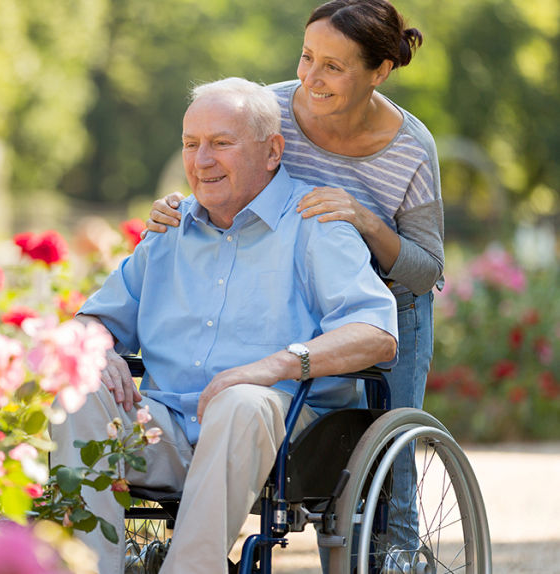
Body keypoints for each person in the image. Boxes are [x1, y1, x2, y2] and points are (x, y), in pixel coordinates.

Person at [51, 77, 398, 574]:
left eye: (221, 143)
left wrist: (268, 367)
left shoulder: (315, 223)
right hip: (166, 432)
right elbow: (94, 321)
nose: (202, 160)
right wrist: (97, 351)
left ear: (272, 151)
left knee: (241, 400)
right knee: (77, 389)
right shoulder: (168, 232)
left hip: (283, 441)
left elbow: (376, 334)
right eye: (191, 144)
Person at [145, 0, 442, 552]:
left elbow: (428, 270)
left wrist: (365, 220)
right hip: (284, 287)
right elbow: (222, 166)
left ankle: (398, 557)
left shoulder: (410, 149)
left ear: (378, 71)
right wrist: (181, 207)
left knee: (389, 472)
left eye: (333, 66)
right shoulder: (274, 109)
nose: (310, 77)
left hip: (388, 301)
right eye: (307, 57)